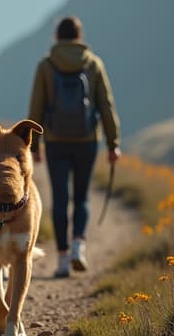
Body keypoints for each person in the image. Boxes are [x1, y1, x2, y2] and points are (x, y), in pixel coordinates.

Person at [27, 16, 120, 278]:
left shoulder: (46, 66)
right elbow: (106, 105)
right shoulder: (93, 63)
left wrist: (34, 145)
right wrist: (113, 143)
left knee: (59, 199)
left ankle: (63, 259)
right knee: (81, 197)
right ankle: (79, 245)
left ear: (56, 37)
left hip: (55, 141)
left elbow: (36, 107)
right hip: (86, 140)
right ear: (79, 36)